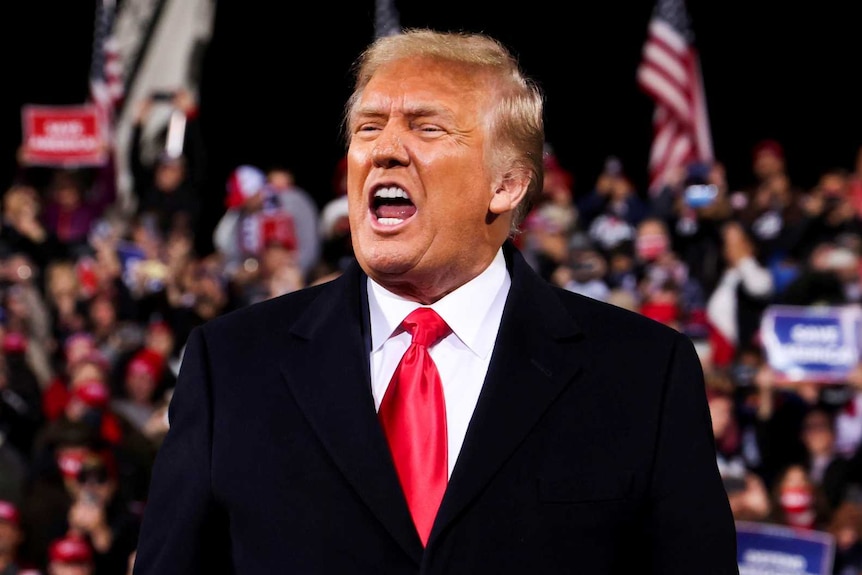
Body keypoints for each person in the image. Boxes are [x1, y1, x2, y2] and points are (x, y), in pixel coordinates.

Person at [132, 28, 737, 574]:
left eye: (426, 127)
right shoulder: (232, 365)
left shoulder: (642, 374)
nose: (383, 150)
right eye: (368, 127)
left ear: (506, 184)